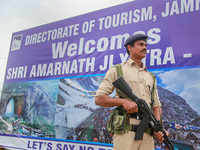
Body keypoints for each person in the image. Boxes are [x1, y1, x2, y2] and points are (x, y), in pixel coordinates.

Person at [95, 34, 164, 150]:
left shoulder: (150, 76)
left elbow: (156, 106)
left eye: (146, 45)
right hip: (125, 133)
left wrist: (158, 128)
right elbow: (99, 99)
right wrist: (122, 102)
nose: (145, 48)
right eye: (141, 44)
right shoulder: (117, 70)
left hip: (147, 134)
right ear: (129, 47)